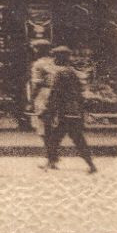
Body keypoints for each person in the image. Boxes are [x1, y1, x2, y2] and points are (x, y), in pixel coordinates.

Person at [39, 46, 98, 174]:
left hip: (64, 113)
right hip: (74, 112)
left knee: (55, 139)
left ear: (60, 58)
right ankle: (90, 164)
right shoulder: (72, 72)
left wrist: (47, 110)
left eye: (56, 56)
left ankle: (50, 163)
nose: (54, 59)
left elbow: (55, 94)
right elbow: (79, 94)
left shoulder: (61, 74)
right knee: (77, 140)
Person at [27, 40, 58, 134]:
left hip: (43, 93)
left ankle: (48, 144)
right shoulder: (54, 62)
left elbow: (37, 85)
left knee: (42, 120)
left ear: (39, 50)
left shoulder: (38, 64)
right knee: (53, 119)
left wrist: (31, 101)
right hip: (55, 91)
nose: (34, 51)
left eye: (35, 49)